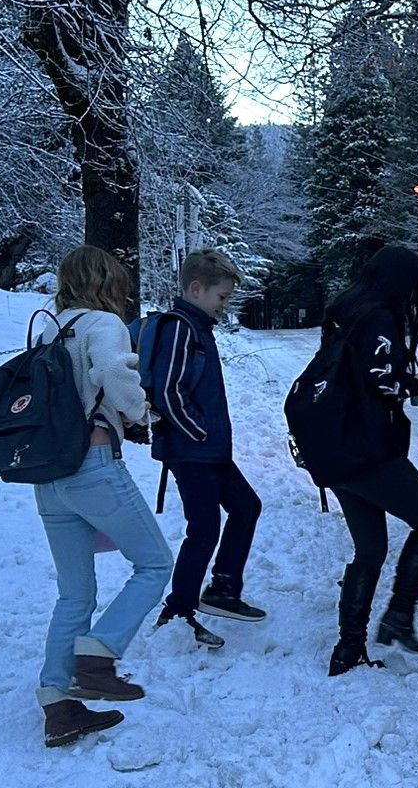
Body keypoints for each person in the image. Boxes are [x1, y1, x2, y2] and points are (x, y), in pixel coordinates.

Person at [31, 246, 173, 748]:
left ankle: (58, 703)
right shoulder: (103, 324)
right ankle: (97, 656)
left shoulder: (50, 328)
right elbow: (114, 373)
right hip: (93, 466)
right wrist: (140, 411)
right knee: (155, 564)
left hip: (49, 476)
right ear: (107, 282)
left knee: (74, 593)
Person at [321, 245, 418, 675]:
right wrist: (416, 384)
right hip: (367, 450)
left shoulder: (344, 311)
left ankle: (348, 648)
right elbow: (381, 381)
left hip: (335, 448)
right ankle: (399, 614)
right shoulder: (378, 319)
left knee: (370, 549)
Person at [148, 249, 264, 649]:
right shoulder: (181, 329)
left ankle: (223, 589)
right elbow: (168, 391)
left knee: (246, 507)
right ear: (196, 289)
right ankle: (178, 611)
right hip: (191, 450)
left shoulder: (199, 328)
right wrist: (199, 431)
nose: (225, 304)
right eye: (222, 297)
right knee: (204, 529)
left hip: (208, 450)